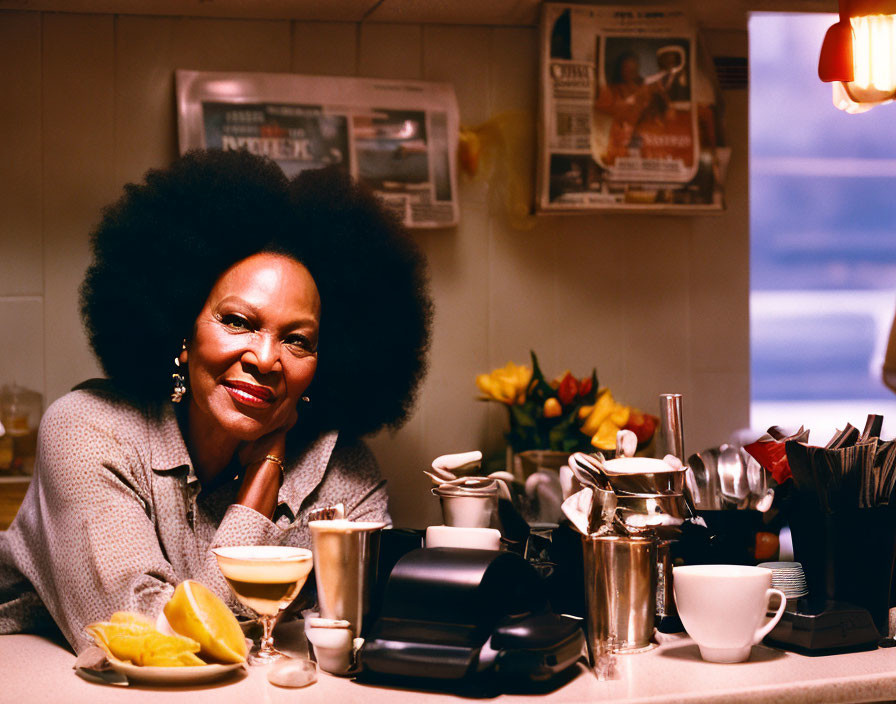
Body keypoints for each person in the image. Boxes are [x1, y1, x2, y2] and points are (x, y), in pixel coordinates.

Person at [0, 149, 432, 652]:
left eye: (297, 340)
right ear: (181, 330)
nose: (266, 358)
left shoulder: (343, 476)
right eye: (237, 322)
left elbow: (354, 634)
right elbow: (148, 642)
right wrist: (258, 496)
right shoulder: (87, 432)